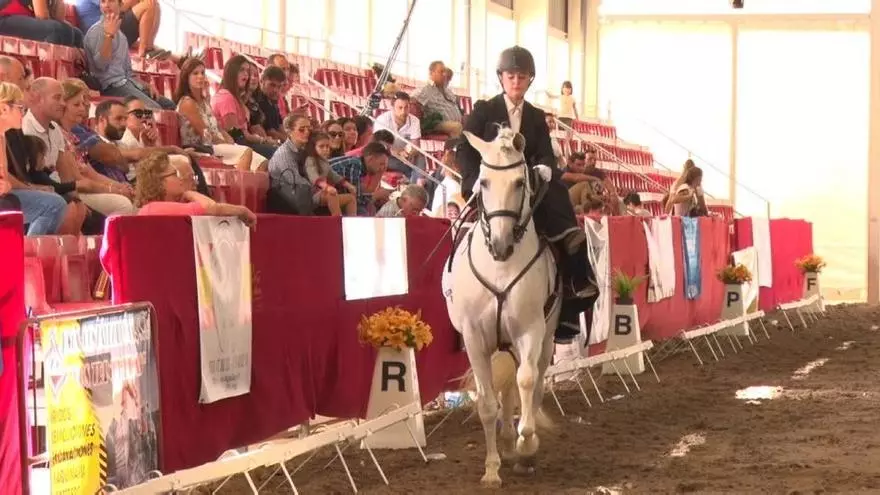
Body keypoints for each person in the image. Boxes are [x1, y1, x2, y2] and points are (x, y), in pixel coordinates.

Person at [457, 45, 597, 344]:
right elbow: (465, 147)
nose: (516, 82)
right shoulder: (484, 110)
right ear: (501, 78)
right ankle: (457, 299)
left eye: (522, 77)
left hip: (528, 185)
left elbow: (544, 151)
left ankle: (573, 292)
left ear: (529, 80)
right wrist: (471, 181)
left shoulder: (535, 115)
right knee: (458, 234)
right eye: (511, 76)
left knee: (562, 209)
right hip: (491, 186)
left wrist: (545, 166)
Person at [82, 0, 173, 109]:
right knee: (154, 109)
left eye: (111, 1)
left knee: (170, 106)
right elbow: (101, 65)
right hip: (109, 87)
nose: (106, 5)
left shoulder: (122, 36)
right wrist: (109, 36)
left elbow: (128, 72)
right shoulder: (95, 31)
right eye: (103, 2)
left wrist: (146, 85)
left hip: (127, 83)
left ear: (121, 5)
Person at [134, 151, 255, 224]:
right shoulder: (152, 209)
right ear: (159, 182)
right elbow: (210, 208)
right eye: (175, 174)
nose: (180, 179)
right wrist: (242, 210)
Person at [303, 131, 356, 216]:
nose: (325, 149)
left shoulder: (324, 161)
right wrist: (327, 187)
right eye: (321, 146)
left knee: (351, 198)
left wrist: (348, 185)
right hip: (313, 195)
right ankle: (337, 219)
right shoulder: (310, 160)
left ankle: (351, 221)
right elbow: (314, 177)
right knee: (332, 194)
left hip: (325, 193)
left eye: (327, 146)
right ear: (313, 147)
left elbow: (333, 175)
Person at [0, 0, 83, 47]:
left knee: (77, 34)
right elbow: (42, 17)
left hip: (23, 17)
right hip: (4, 18)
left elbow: (59, 18)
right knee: (58, 31)